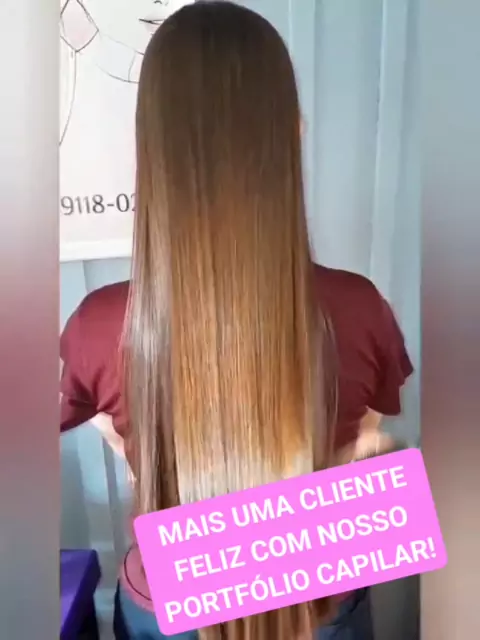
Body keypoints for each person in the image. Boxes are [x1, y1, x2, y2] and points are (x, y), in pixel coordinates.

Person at [60, 2, 414, 639]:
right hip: (317, 599)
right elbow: (364, 441)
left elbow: (89, 421)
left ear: (149, 147)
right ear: (294, 132)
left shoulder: (99, 324)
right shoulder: (360, 309)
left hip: (171, 604)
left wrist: (135, 442)